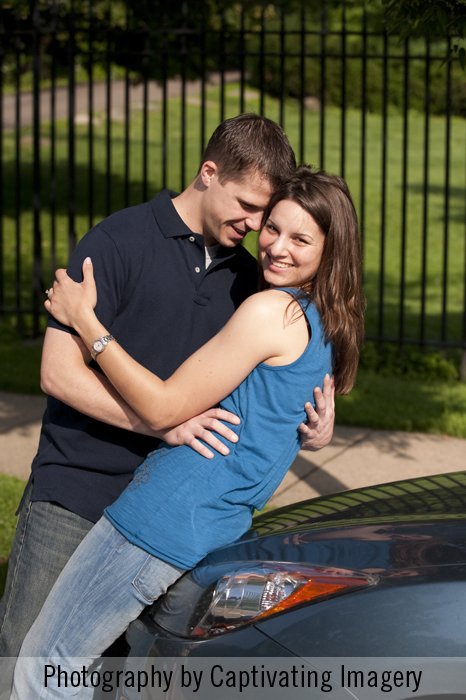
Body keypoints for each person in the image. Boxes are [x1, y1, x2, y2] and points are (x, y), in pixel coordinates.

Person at [0, 114, 335, 697]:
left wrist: (312, 426)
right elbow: (57, 373)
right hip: (78, 490)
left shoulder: (250, 277)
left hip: (164, 510)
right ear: (209, 173)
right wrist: (163, 425)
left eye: (267, 214)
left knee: (121, 676)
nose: (258, 228)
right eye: (250, 207)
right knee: (29, 662)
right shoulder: (117, 242)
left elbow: (266, 379)